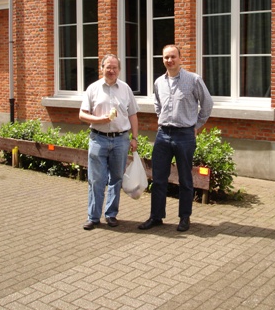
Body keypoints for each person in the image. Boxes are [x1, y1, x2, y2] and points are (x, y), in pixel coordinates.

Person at [139, 44, 213, 232]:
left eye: (173, 56)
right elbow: (157, 104)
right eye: (166, 57)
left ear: (180, 58)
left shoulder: (193, 80)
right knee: (158, 179)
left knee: (185, 179)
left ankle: (184, 218)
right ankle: (156, 217)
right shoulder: (159, 82)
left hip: (185, 135)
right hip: (163, 135)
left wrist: (195, 126)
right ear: (162, 59)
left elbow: (207, 104)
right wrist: (162, 119)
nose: (169, 60)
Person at [80, 54, 139, 230]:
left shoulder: (126, 89)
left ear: (119, 70)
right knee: (96, 180)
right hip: (98, 138)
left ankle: (111, 214)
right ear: (102, 68)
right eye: (108, 67)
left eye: (115, 67)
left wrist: (134, 138)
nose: (111, 70)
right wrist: (100, 120)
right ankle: (93, 217)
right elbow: (82, 115)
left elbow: (133, 114)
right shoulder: (93, 88)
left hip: (121, 139)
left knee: (117, 178)